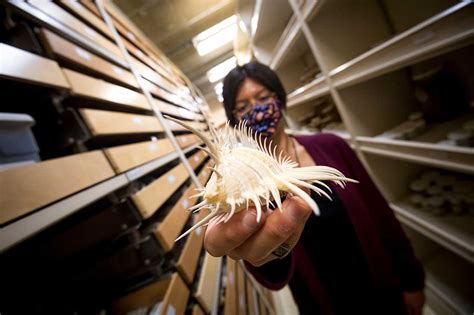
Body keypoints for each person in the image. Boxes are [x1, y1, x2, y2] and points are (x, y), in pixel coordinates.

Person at [203, 61, 425, 315]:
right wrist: (263, 254)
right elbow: (273, 269)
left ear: (279, 97)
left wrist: (412, 279)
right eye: (243, 107)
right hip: (323, 304)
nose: (257, 110)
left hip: (382, 289)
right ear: (235, 119)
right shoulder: (247, 188)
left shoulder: (331, 146)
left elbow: (380, 213)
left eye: (263, 97)